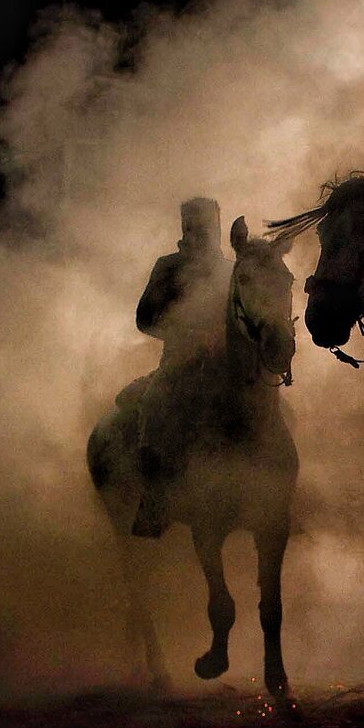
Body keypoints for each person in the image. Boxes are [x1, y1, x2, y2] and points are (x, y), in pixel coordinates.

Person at [132, 197, 235, 537]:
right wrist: (190, 335)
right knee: (154, 405)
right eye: (195, 225)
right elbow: (145, 319)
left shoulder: (233, 271)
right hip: (179, 363)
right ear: (185, 227)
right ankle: (155, 498)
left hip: (229, 366)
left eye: (209, 225)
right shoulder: (167, 267)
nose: (204, 232)